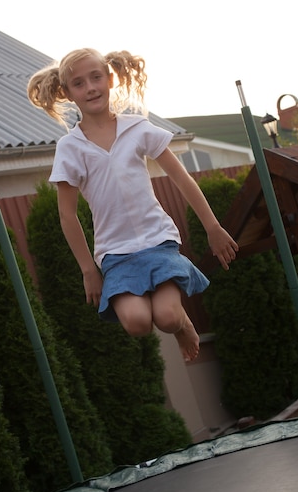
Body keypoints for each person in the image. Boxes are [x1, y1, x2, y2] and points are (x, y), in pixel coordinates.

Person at [27, 48, 238, 361]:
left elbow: (181, 179)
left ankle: (182, 325)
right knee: (137, 323)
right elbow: (67, 215)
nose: (91, 88)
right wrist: (88, 270)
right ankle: (174, 319)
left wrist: (213, 227)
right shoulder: (70, 148)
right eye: (79, 84)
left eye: (96, 77)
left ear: (110, 78)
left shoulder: (136, 128)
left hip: (158, 241)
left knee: (166, 317)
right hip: (116, 254)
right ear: (68, 93)